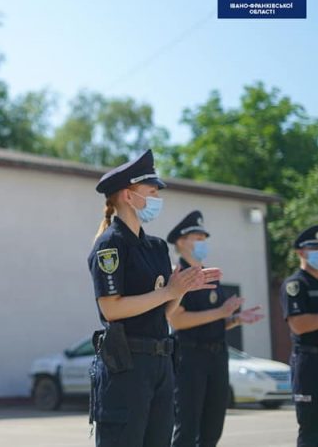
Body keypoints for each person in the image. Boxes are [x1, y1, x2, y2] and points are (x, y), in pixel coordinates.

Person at [87, 149, 221, 447]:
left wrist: (182, 288)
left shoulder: (156, 247)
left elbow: (165, 309)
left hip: (161, 362)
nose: (156, 198)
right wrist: (168, 292)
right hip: (127, 365)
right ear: (127, 195)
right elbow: (111, 308)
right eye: (150, 191)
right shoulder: (110, 245)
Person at [167, 211, 263, 447]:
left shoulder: (211, 275)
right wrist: (221, 313)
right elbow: (177, 321)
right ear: (181, 241)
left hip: (217, 355)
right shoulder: (178, 276)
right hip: (190, 357)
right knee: (187, 429)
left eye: (204, 238)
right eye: (196, 237)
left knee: (212, 429)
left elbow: (215, 320)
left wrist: (236, 319)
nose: (202, 242)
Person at [280, 225, 318, 447]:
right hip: (310, 363)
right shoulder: (296, 285)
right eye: (315, 248)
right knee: (312, 428)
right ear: (301, 252)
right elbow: (299, 324)